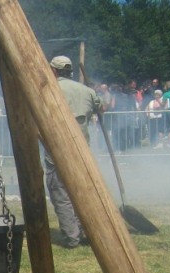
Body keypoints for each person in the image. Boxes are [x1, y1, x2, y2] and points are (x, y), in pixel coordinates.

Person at [45, 55, 101, 249]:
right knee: (82, 193)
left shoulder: (48, 89)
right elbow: (102, 109)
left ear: (53, 70)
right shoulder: (87, 91)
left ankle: (72, 236)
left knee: (60, 192)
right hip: (82, 151)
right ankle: (87, 231)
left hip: (57, 151)